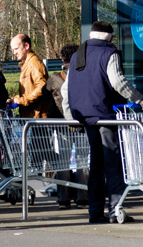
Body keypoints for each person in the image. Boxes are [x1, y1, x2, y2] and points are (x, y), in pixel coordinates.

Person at [61, 21, 143, 224]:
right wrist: (140, 99)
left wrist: (71, 117)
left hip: (85, 118)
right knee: (113, 166)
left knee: (96, 166)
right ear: (110, 37)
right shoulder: (109, 53)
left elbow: (65, 90)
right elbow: (118, 81)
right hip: (104, 116)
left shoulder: (77, 55)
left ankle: (95, 212)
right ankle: (115, 211)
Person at [46, 43, 88, 209]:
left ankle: (63, 198)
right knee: (82, 160)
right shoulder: (83, 74)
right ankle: (83, 196)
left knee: (63, 161)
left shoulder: (54, 77)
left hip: (62, 125)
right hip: (80, 123)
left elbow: (44, 92)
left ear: (62, 59)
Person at [8, 34, 52, 118]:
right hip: (31, 116)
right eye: (13, 50)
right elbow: (29, 91)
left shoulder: (34, 63)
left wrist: (22, 100)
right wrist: (14, 99)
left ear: (26, 46)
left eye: (16, 49)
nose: (14, 53)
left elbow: (42, 87)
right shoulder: (26, 64)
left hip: (37, 118)